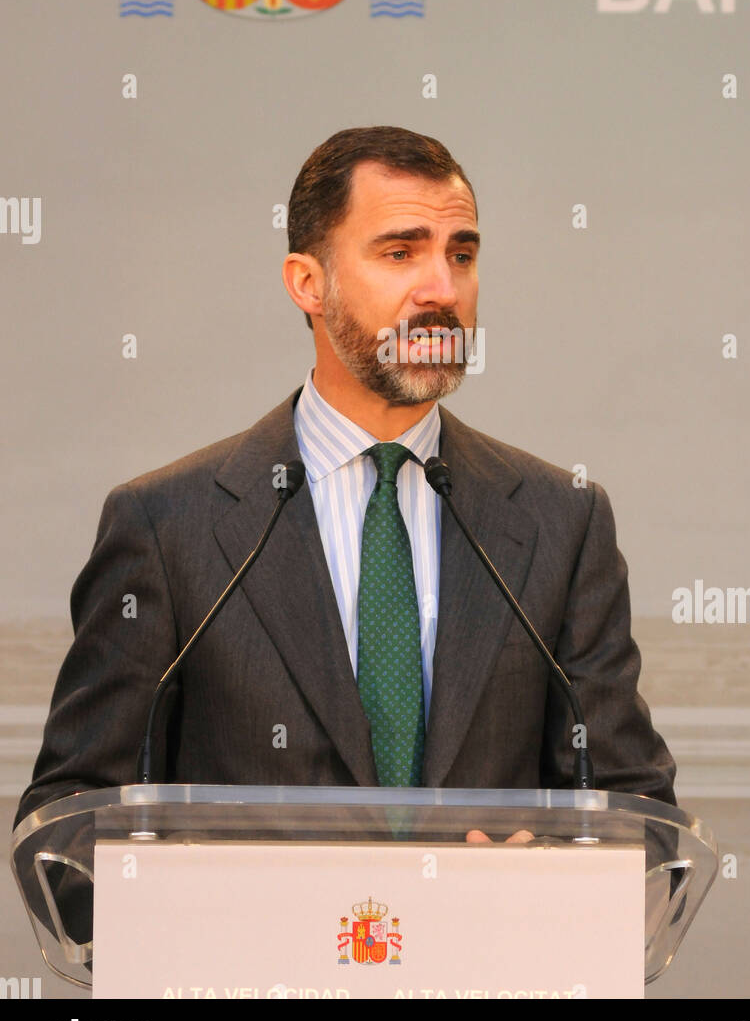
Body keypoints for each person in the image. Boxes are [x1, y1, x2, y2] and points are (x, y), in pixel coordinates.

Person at [15, 125, 675, 837]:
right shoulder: (166, 525)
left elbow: (632, 809)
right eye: (400, 252)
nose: (442, 290)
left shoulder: (561, 520)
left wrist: (556, 878)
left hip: (481, 950)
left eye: (462, 254)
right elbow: (71, 816)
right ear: (308, 283)